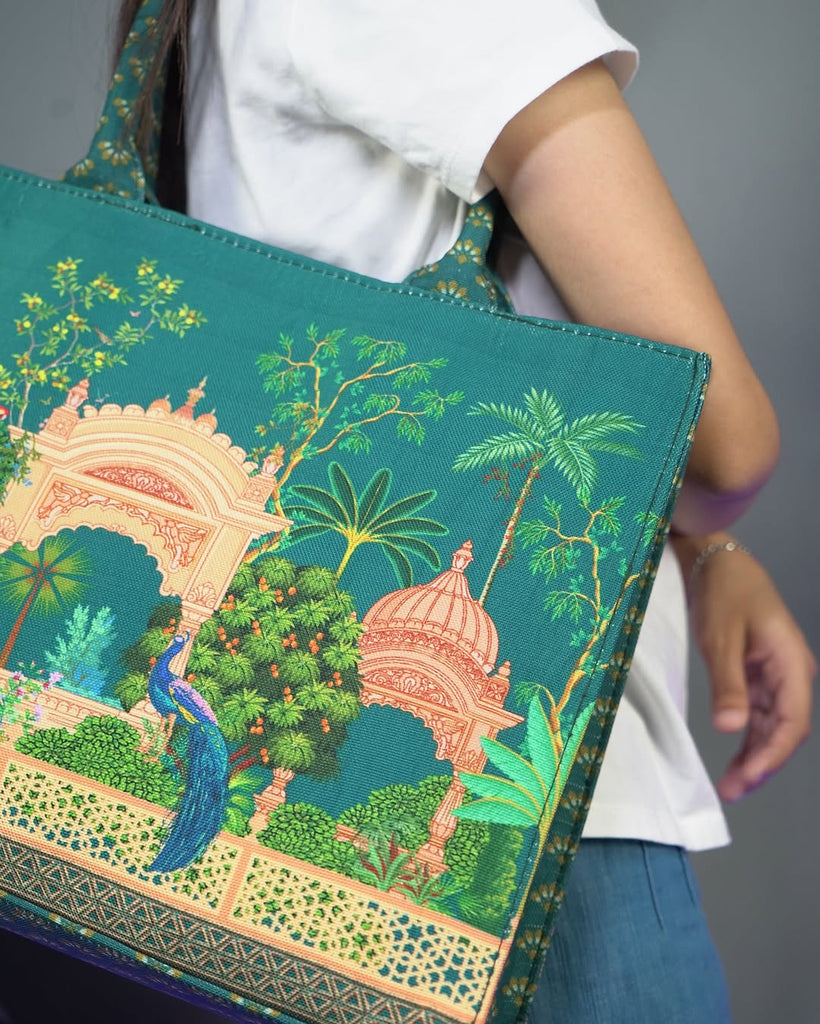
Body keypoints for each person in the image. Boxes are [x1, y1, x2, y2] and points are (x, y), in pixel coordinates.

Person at [1, 3, 812, 1023]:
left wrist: (708, 549)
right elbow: (730, 441)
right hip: (549, 875)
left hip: (136, 904)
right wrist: (715, 507)